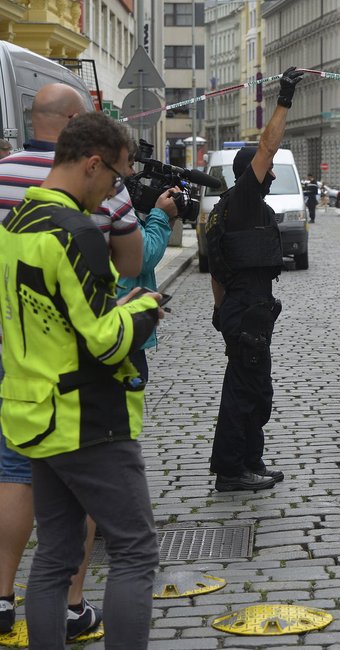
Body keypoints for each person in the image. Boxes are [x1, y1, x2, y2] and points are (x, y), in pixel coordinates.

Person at [0, 111, 162, 649]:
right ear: (92, 164)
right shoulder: (77, 235)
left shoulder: (15, 225)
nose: (113, 190)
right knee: (137, 550)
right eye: (115, 178)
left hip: (33, 413)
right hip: (87, 420)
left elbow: (54, 314)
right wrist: (143, 311)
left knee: (54, 556)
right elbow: (106, 341)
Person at [205, 66, 303, 492]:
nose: (274, 174)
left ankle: (250, 460)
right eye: (268, 170)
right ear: (252, 174)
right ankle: (231, 470)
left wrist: (218, 306)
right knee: (245, 392)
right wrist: (284, 99)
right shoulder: (243, 201)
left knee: (255, 389)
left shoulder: (235, 210)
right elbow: (267, 147)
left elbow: (216, 262)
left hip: (245, 310)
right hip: (246, 312)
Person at [116, 140, 181, 384]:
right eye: (129, 164)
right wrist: (161, 214)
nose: (133, 173)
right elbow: (143, 256)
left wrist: (167, 218)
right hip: (121, 324)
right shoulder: (113, 203)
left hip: (121, 321)